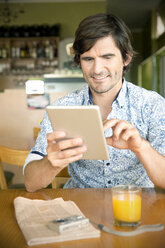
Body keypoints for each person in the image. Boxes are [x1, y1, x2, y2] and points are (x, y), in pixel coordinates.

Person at [24, 13, 165, 192]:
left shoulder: (152, 105)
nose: (97, 69)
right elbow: (30, 182)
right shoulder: (63, 107)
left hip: (135, 210)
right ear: (79, 61)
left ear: (126, 59)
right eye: (88, 59)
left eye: (107, 57)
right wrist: (51, 163)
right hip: (78, 211)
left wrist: (140, 147)